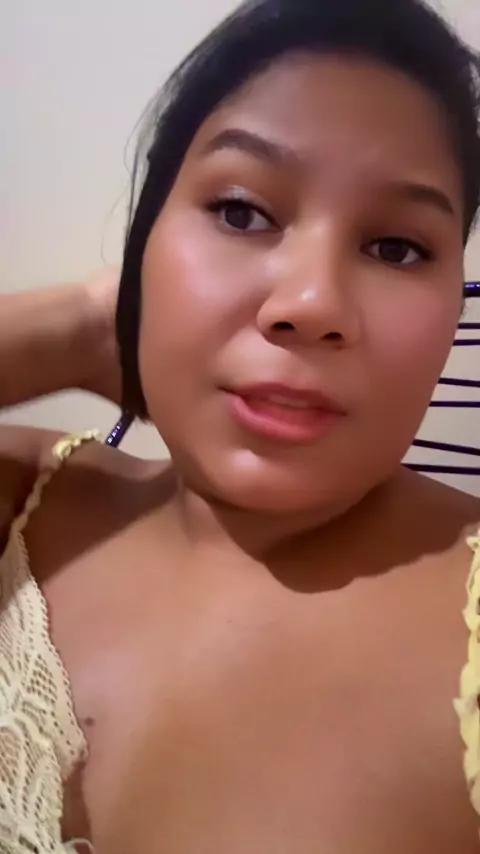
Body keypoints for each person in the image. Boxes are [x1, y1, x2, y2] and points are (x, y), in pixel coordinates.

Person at [1, 0, 480, 850]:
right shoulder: (22, 502)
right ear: (147, 241)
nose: (312, 303)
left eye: (396, 248)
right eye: (240, 211)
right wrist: (79, 327)